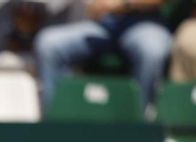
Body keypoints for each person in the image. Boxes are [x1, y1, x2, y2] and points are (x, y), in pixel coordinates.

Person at [33, 0, 172, 110]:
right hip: (104, 25)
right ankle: (57, 124)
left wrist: (123, 3)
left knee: (151, 51)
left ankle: (140, 124)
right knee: (48, 44)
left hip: (145, 24)